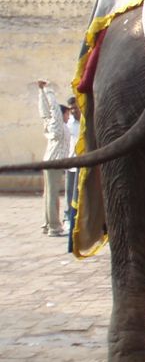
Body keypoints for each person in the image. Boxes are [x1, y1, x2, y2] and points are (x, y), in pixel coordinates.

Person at [37, 81, 71, 237]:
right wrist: (48, 90)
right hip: (54, 163)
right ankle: (54, 227)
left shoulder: (50, 124)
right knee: (52, 196)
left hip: (49, 161)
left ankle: (47, 224)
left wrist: (41, 92)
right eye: (67, 114)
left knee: (48, 194)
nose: (68, 116)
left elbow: (44, 112)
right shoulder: (58, 125)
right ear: (62, 114)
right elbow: (53, 111)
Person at [64, 95, 81, 250]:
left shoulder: (86, 123)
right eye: (71, 109)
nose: (74, 110)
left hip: (84, 165)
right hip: (71, 164)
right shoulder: (69, 124)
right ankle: (69, 220)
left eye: (76, 107)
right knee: (70, 196)